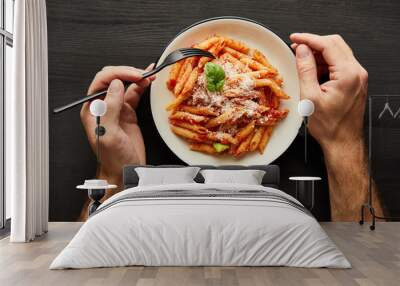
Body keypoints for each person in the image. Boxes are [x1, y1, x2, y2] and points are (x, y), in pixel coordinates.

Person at [79, 33, 383, 221]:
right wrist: (115, 174)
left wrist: (113, 174)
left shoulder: (261, 98)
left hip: (242, 124)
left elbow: (372, 254)